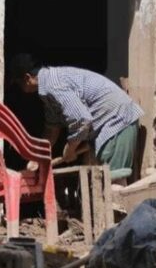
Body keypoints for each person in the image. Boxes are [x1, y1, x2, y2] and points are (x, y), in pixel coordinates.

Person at [8, 54, 143, 180]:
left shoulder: (54, 85)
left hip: (117, 121)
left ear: (27, 78)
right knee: (106, 183)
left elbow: (81, 119)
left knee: (114, 181)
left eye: (19, 84)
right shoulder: (46, 90)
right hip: (109, 124)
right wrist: (37, 158)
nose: (20, 89)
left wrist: (70, 148)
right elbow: (52, 129)